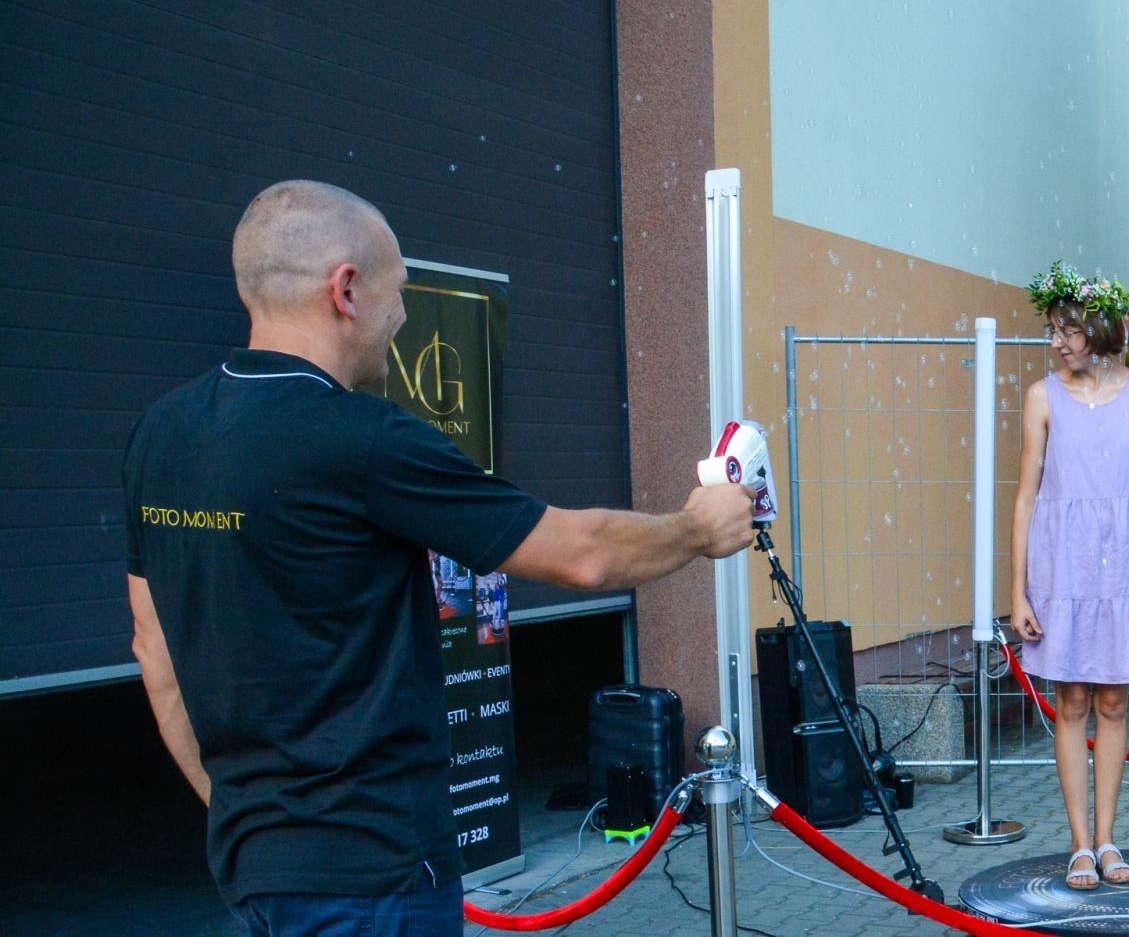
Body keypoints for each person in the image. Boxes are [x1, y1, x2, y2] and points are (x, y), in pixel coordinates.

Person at [123, 180, 756, 936]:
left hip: (254, 871)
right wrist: (699, 529)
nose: (403, 318)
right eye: (400, 293)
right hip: (377, 878)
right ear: (347, 290)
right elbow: (580, 554)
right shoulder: (365, 439)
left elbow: (153, 651)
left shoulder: (160, 435)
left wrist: (251, 827)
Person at [1008, 262, 1129, 891]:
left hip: (1125, 565)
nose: (1057, 342)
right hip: (1063, 565)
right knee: (1071, 701)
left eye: (1067, 331)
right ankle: (1079, 844)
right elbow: (1025, 497)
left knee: (1113, 701)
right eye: (1053, 330)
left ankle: (1109, 839)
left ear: (1098, 330)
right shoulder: (1041, 397)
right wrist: (1017, 590)